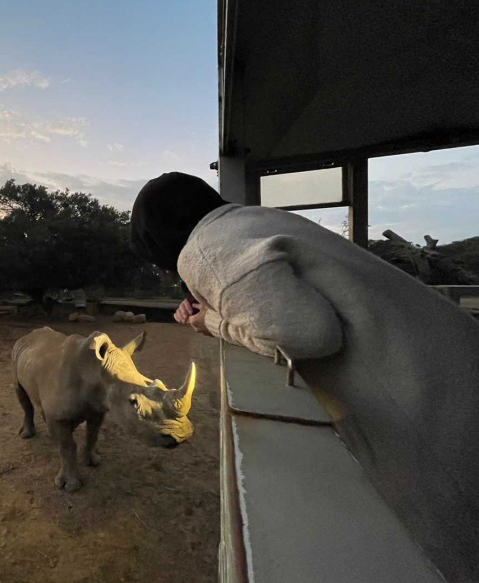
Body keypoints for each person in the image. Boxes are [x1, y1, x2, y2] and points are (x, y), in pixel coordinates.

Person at [129, 171, 479, 581]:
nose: (171, 275)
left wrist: (216, 324)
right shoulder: (251, 220)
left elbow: (306, 334)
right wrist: (213, 307)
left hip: (441, 414)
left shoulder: (203, 250)